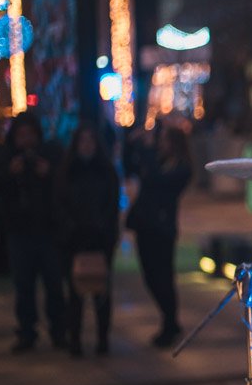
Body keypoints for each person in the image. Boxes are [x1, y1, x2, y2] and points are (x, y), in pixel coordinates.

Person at [0, 113, 66, 352]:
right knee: (23, 286)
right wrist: (10, 174)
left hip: (46, 231)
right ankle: (27, 331)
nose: (26, 141)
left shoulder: (48, 155)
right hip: (20, 232)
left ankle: (58, 330)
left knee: (53, 284)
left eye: (29, 135)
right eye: (21, 136)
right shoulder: (8, 158)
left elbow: (63, 184)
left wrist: (48, 173)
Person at [125, 125, 192, 348]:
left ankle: (170, 322)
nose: (160, 144)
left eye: (164, 140)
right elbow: (131, 168)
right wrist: (131, 143)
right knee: (150, 276)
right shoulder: (157, 159)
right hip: (145, 225)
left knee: (162, 277)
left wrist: (146, 150)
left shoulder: (181, 167)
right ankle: (169, 321)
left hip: (162, 228)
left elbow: (157, 181)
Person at [57, 126, 120, 356]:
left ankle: (102, 339)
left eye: (90, 140)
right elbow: (61, 204)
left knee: (100, 292)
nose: (86, 145)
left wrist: (105, 232)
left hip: (99, 240)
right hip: (74, 241)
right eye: (82, 141)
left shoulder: (105, 171)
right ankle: (75, 339)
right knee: (74, 294)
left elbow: (111, 206)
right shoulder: (67, 172)